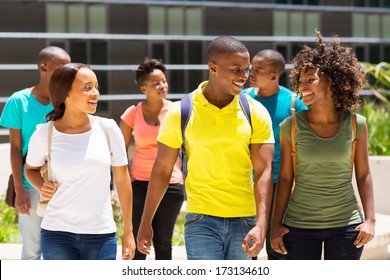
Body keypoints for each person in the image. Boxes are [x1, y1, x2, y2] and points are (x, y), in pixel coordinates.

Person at [137, 36, 275, 260]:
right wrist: (145, 223)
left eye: (246, 69)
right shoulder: (181, 111)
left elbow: (264, 171)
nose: (244, 76)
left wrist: (261, 224)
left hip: (244, 220)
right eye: (237, 69)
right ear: (213, 68)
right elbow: (162, 169)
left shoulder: (255, 112)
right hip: (201, 220)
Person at [270, 30, 375, 260]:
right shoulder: (291, 126)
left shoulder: (357, 124)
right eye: (301, 80)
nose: (303, 86)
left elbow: (364, 174)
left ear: (333, 81)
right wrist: (275, 224)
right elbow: (286, 177)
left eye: (311, 79)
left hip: (347, 226)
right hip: (299, 226)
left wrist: (370, 220)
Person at [24, 63, 136, 260]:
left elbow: (122, 179)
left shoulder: (108, 129)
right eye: (87, 87)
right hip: (56, 233)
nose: (96, 94)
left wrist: (128, 229)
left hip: (101, 235)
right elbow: (30, 169)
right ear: (65, 92)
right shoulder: (44, 133)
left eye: (96, 86)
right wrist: (43, 187)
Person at [0, 46, 70, 260]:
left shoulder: (67, 101)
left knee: (60, 252)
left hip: (64, 186)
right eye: (62, 67)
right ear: (43, 68)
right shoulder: (18, 101)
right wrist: (19, 189)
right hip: (30, 187)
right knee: (32, 251)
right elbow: (14, 147)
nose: (67, 72)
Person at [243, 49, 307, 260]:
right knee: (247, 244)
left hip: (282, 183)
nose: (251, 72)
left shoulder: (294, 103)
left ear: (274, 75)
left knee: (276, 244)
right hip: (247, 180)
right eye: (252, 67)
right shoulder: (244, 98)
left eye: (258, 69)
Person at [119, 58, 184, 260]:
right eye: (156, 83)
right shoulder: (132, 113)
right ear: (143, 88)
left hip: (171, 183)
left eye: (163, 81)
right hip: (140, 184)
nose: (162, 86)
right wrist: (123, 182)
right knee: (139, 245)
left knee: (164, 244)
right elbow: (119, 151)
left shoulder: (177, 111)